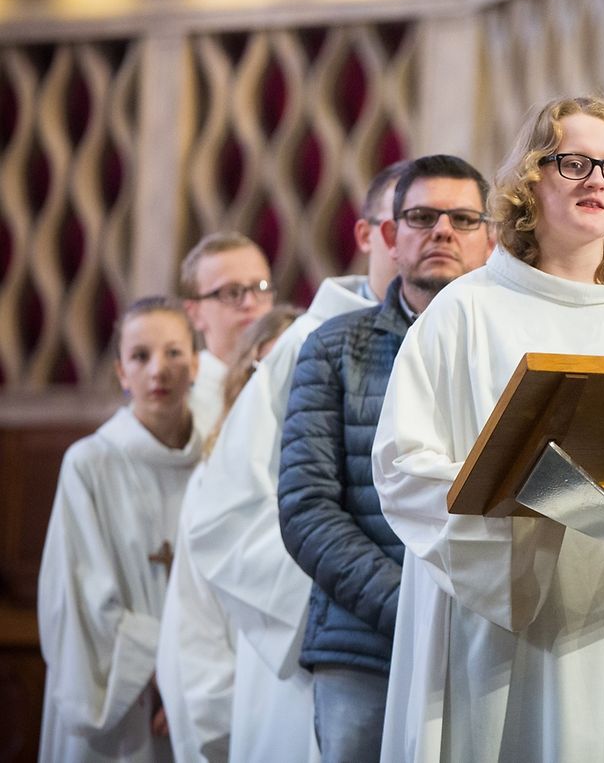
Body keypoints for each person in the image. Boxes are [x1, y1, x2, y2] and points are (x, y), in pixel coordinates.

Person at [371, 96, 604, 763]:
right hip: (495, 616)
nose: (597, 180)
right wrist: (518, 512)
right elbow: (401, 463)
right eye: (575, 162)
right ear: (531, 177)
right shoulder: (465, 311)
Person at [180, 161, 411, 761]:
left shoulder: (461, 336)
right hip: (332, 649)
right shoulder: (307, 346)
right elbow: (223, 515)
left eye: (455, 221)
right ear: (371, 236)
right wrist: (352, 596)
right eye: (405, 221)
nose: (422, 239)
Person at [277, 155, 495, 762]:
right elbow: (306, 510)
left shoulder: (514, 352)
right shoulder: (333, 348)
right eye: (422, 217)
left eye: (463, 218)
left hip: (483, 639)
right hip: (365, 645)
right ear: (390, 238)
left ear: (491, 240)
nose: (443, 231)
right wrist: (412, 609)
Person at [38, 297, 202, 762]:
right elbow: (82, 597)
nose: (159, 370)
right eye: (141, 356)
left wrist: (193, 676)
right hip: (121, 695)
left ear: (195, 362)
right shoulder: (90, 464)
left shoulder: (216, 460)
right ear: (120, 371)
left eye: (174, 353)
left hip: (198, 687)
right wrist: (167, 669)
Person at [156, 306, 301, 763]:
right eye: (270, 366)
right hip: (247, 709)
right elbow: (195, 622)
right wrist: (218, 728)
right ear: (245, 378)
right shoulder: (215, 481)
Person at [179, 233, 274, 432]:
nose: (249, 302)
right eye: (231, 293)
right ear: (195, 313)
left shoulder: (291, 377)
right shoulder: (181, 401)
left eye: (260, 287)